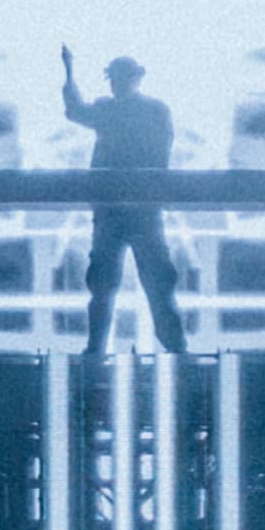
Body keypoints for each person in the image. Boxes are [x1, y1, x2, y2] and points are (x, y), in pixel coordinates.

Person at [61, 46, 187, 350]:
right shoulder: (151, 110)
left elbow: (76, 110)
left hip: (124, 210)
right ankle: (175, 350)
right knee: (138, 287)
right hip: (133, 211)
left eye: (119, 78)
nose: (116, 84)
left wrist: (69, 71)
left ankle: (170, 349)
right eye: (114, 79)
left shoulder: (127, 110)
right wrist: (69, 71)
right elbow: (76, 110)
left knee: (129, 287)